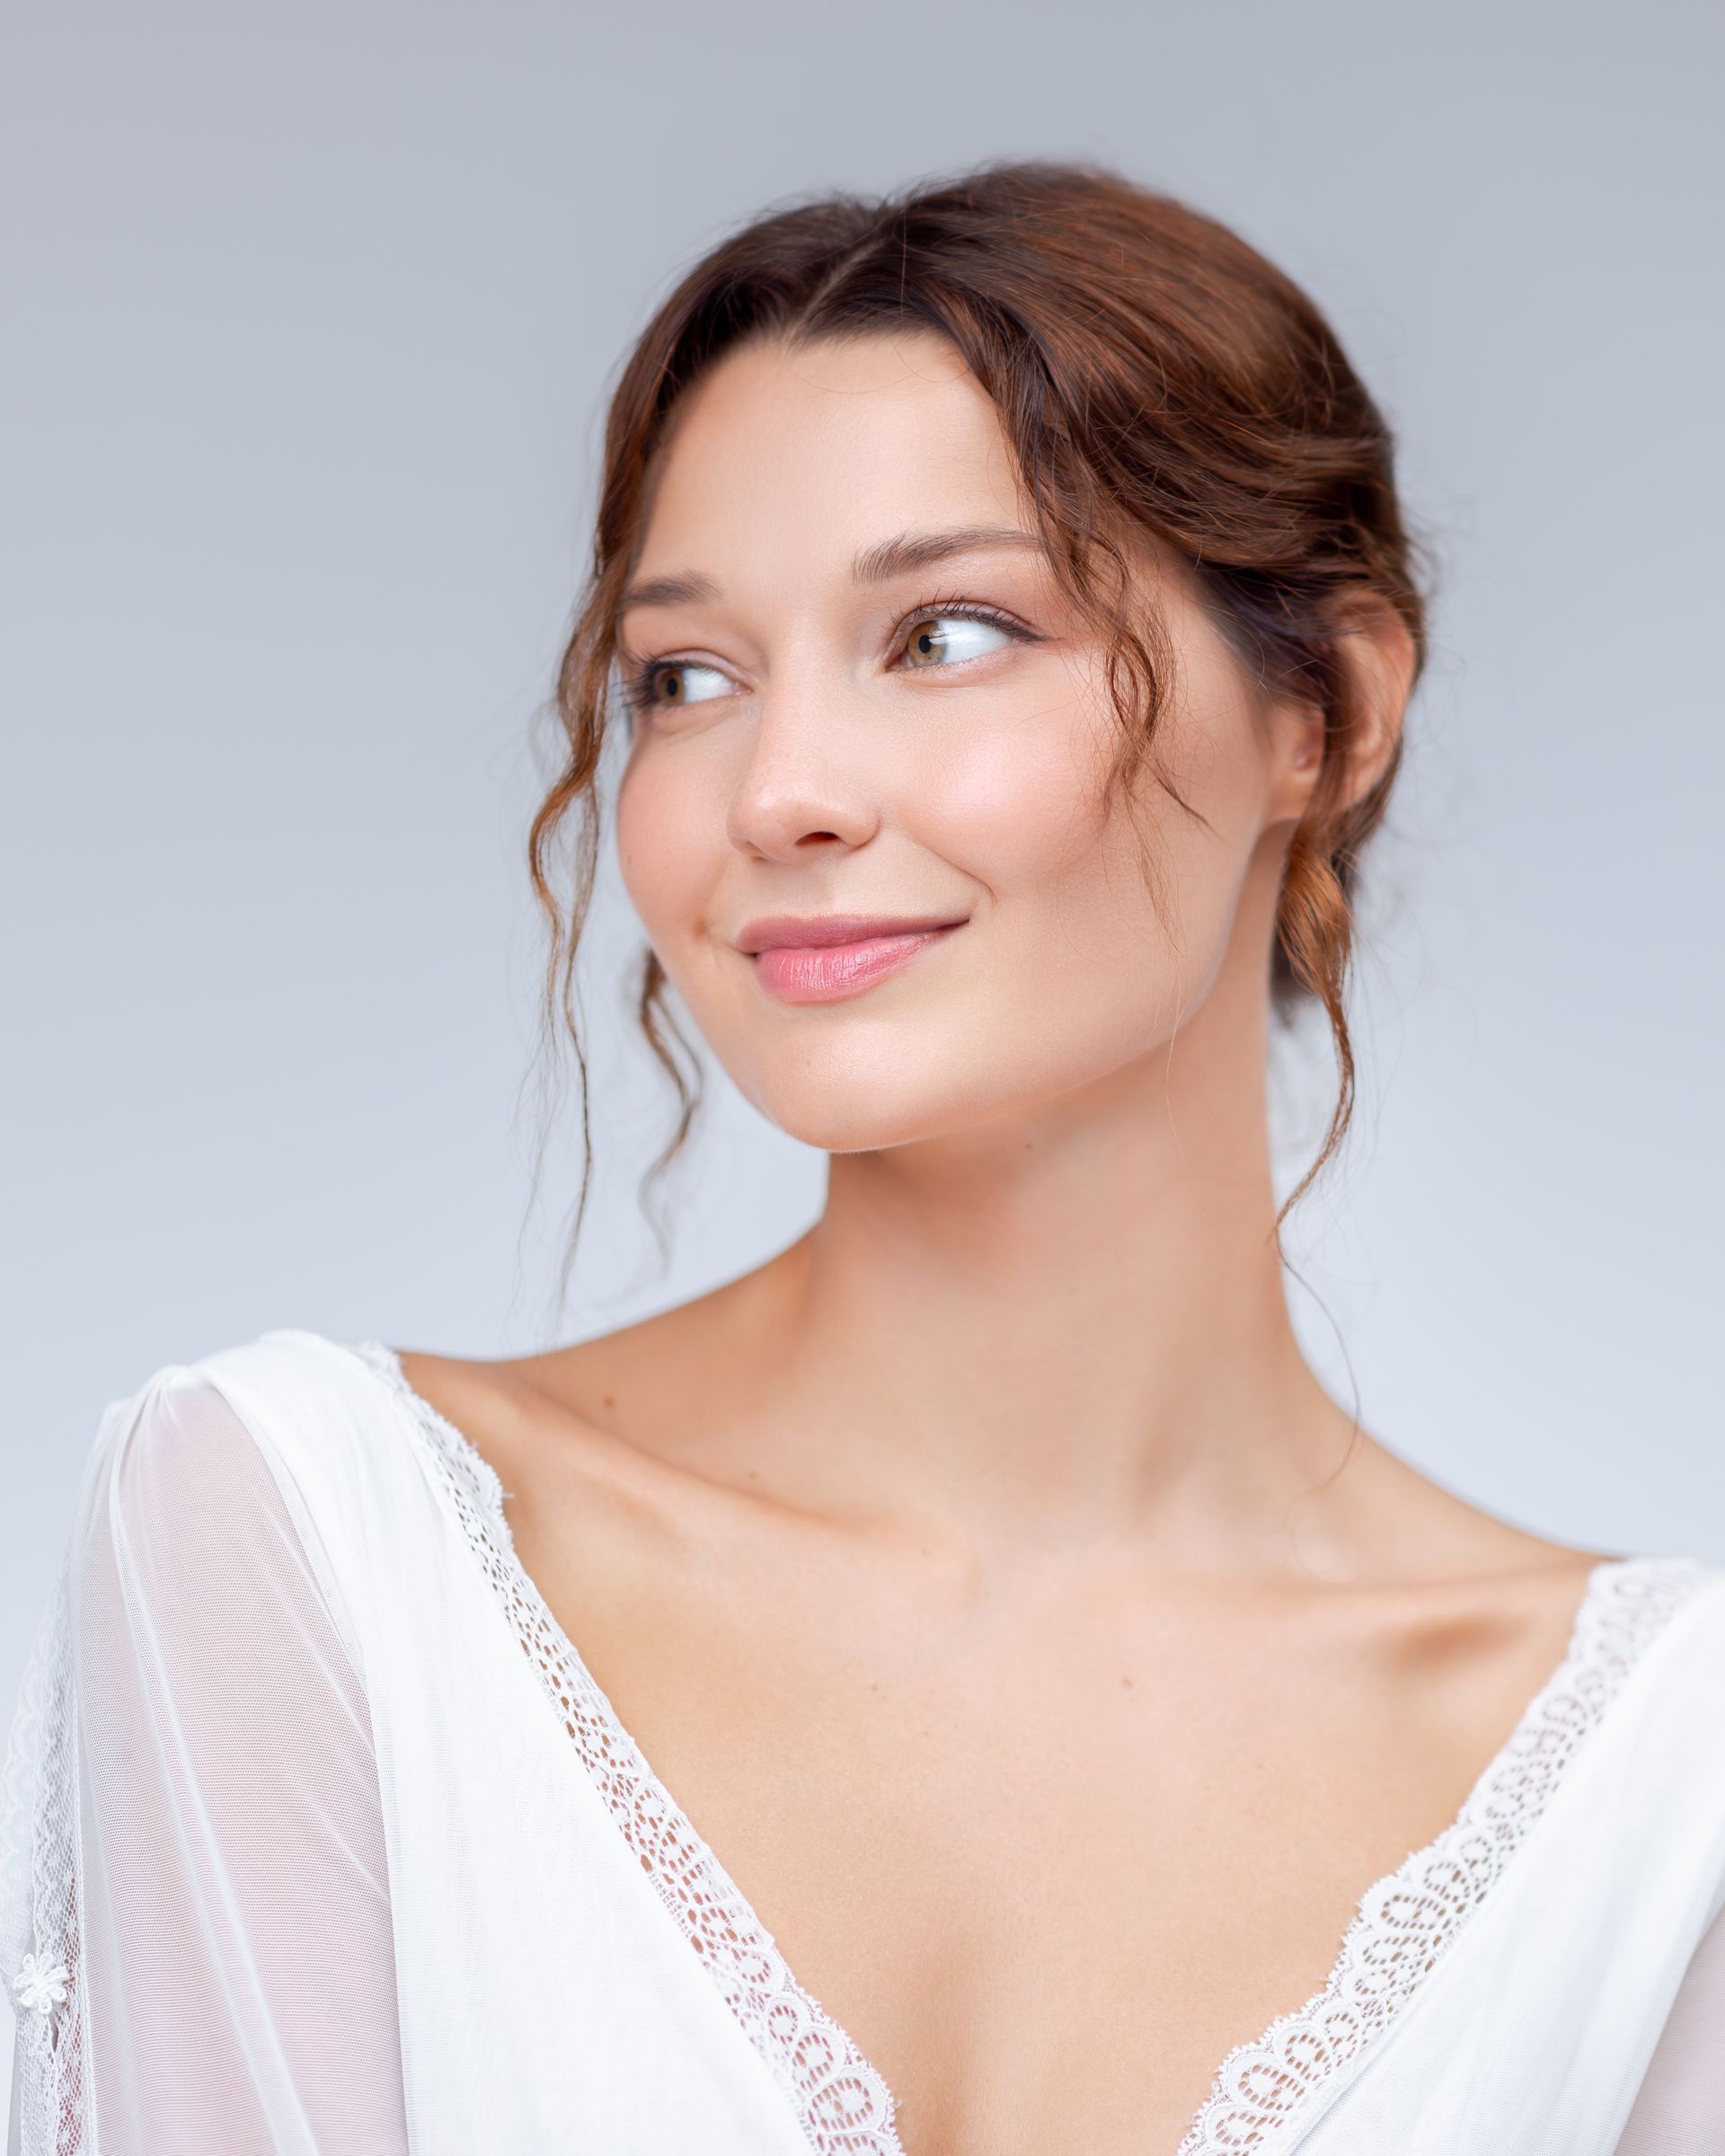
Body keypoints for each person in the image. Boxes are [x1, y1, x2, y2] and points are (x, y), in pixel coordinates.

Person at [4, 161, 1721, 2156]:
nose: (783, 792)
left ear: (1324, 712)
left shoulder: (1659, 1789)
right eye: (686, 678)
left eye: (950, 632)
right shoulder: (312, 1544)